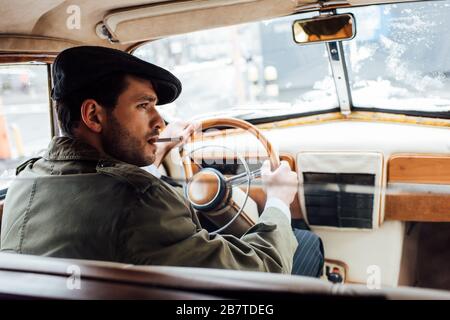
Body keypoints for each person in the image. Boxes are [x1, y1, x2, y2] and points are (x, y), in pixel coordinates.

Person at [0, 46, 323, 277]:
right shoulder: (141, 200)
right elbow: (261, 270)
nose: (160, 123)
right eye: (144, 106)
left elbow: (110, 209)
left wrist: (160, 148)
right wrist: (279, 200)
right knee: (305, 244)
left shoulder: (25, 181)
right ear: (93, 115)